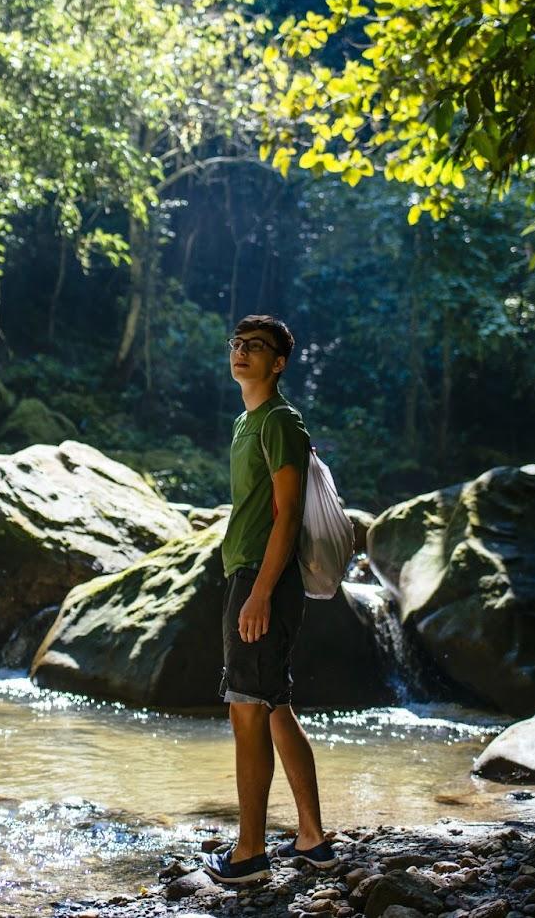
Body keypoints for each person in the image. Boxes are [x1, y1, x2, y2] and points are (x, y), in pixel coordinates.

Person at [202, 314, 336, 885]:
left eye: (256, 347)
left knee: (247, 712)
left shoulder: (280, 421)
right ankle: (312, 840)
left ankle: (250, 854)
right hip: (250, 573)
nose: (242, 353)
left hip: (264, 579)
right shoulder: (245, 422)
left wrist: (258, 594)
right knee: (274, 707)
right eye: (237, 344)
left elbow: (288, 512)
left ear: (277, 363)